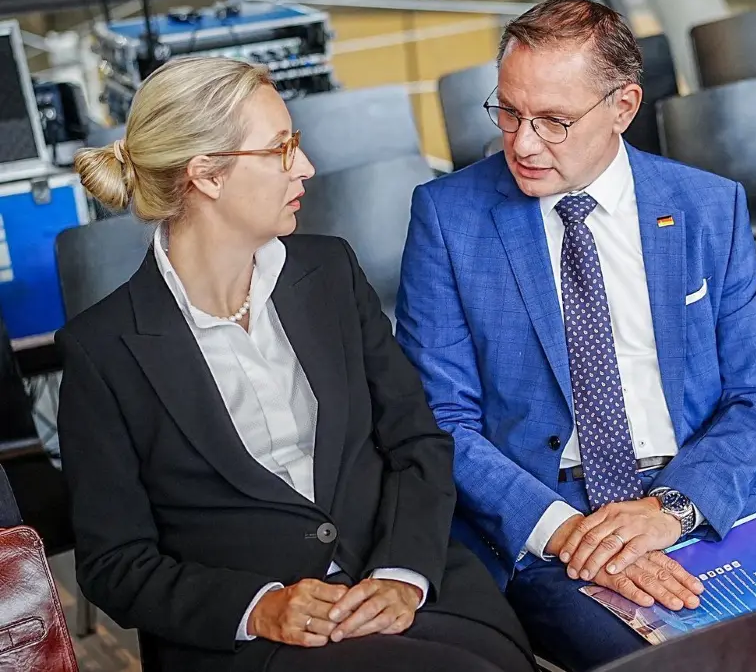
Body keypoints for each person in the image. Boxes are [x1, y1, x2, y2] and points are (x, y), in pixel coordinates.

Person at [395, 0, 756, 671]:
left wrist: (674, 507)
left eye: (553, 120)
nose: (521, 143)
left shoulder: (706, 205)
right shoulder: (449, 217)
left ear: (623, 106)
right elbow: (443, 422)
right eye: (509, 112)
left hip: (704, 491)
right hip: (552, 521)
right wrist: (567, 532)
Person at [61, 57, 534, 672]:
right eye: (281, 148)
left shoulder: (330, 272)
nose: (305, 166)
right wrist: (259, 608)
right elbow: (114, 563)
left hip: (402, 584)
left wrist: (402, 573)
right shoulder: (102, 350)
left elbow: (416, 440)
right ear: (207, 175)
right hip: (256, 643)